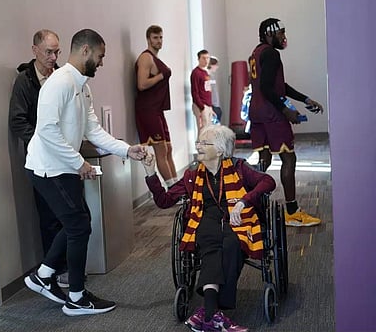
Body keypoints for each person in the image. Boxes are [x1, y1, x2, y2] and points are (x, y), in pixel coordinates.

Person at [24, 28, 146, 316]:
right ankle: (76, 298)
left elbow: (94, 130)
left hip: (63, 167)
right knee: (79, 225)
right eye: (101, 56)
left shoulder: (82, 86)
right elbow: (46, 130)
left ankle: (43, 275)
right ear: (85, 51)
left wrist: (126, 150)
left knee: (78, 222)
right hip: (47, 168)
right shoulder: (60, 83)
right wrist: (79, 163)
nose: (102, 63)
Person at [142, 125, 276, 332]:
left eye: (205, 143)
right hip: (204, 219)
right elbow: (164, 200)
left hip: (238, 218)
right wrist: (150, 172)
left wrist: (243, 201)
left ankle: (208, 312)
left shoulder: (240, 168)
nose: (199, 146)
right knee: (211, 243)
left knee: (233, 243)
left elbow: (268, 181)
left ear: (221, 150)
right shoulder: (192, 175)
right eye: (199, 142)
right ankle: (214, 316)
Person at [248, 18, 324, 227]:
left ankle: (254, 206)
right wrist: (286, 111)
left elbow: (277, 84)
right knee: (289, 159)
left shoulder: (255, 53)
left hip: (256, 113)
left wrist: (305, 99)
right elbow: (267, 88)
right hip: (272, 114)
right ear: (269, 34)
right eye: (281, 32)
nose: (284, 36)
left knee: (264, 159)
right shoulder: (272, 53)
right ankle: (292, 212)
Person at [8, 29, 69, 287]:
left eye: (57, 52)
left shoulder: (60, 78)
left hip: (64, 156)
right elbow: (17, 121)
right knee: (50, 216)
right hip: (41, 160)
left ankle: (65, 267)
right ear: (34, 50)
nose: (53, 57)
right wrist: (42, 143)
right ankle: (52, 271)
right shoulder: (25, 81)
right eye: (48, 52)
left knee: (71, 214)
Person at [135, 25, 178, 187]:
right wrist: (161, 76)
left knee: (168, 148)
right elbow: (141, 84)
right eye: (155, 38)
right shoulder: (146, 58)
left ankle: (178, 187)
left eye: (160, 37)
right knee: (161, 151)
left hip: (158, 109)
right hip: (148, 110)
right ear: (148, 39)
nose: (159, 41)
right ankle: (173, 189)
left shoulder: (156, 58)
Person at [190, 49, 215, 133]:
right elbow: (194, 91)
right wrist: (201, 106)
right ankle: (201, 146)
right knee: (202, 130)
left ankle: (207, 146)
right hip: (201, 105)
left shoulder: (206, 73)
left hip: (208, 105)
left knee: (208, 130)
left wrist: (210, 106)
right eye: (203, 58)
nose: (206, 60)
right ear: (199, 59)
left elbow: (208, 90)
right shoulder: (196, 73)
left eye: (207, 58)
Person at [208, 56, 223, 123]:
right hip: (213, 105)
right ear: (211, 65)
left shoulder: (212, 76)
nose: (217, 67)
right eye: (216, 65)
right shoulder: (208, 76)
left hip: (216, 104)